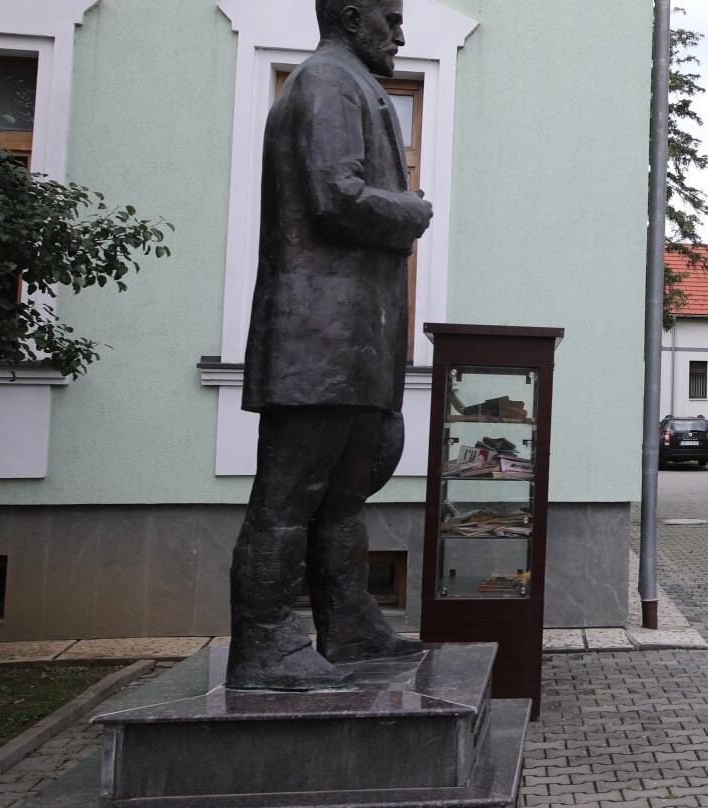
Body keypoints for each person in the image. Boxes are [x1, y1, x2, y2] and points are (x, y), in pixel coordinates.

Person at [226, 0, 433, 690]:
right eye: (389, 18)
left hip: (353, 339)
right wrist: (410, 210)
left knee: (343, 498)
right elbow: (334, 195)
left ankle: (347, 626)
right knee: (287, 498)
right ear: (349, 17)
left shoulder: (354, 83)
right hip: (313, 338)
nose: (399, 33)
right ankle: (263, 645)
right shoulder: (325, 82)